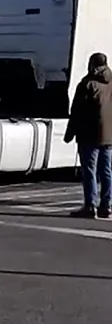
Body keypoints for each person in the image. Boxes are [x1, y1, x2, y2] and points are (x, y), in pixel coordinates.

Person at [63, 52, 112, 218]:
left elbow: (77, 112)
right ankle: (107, 205)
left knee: (90, 171)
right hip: (109, 135)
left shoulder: (87, 84)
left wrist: (69, 134)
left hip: (89, 134)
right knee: (106, 171)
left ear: (92, 65)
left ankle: (90, 206)